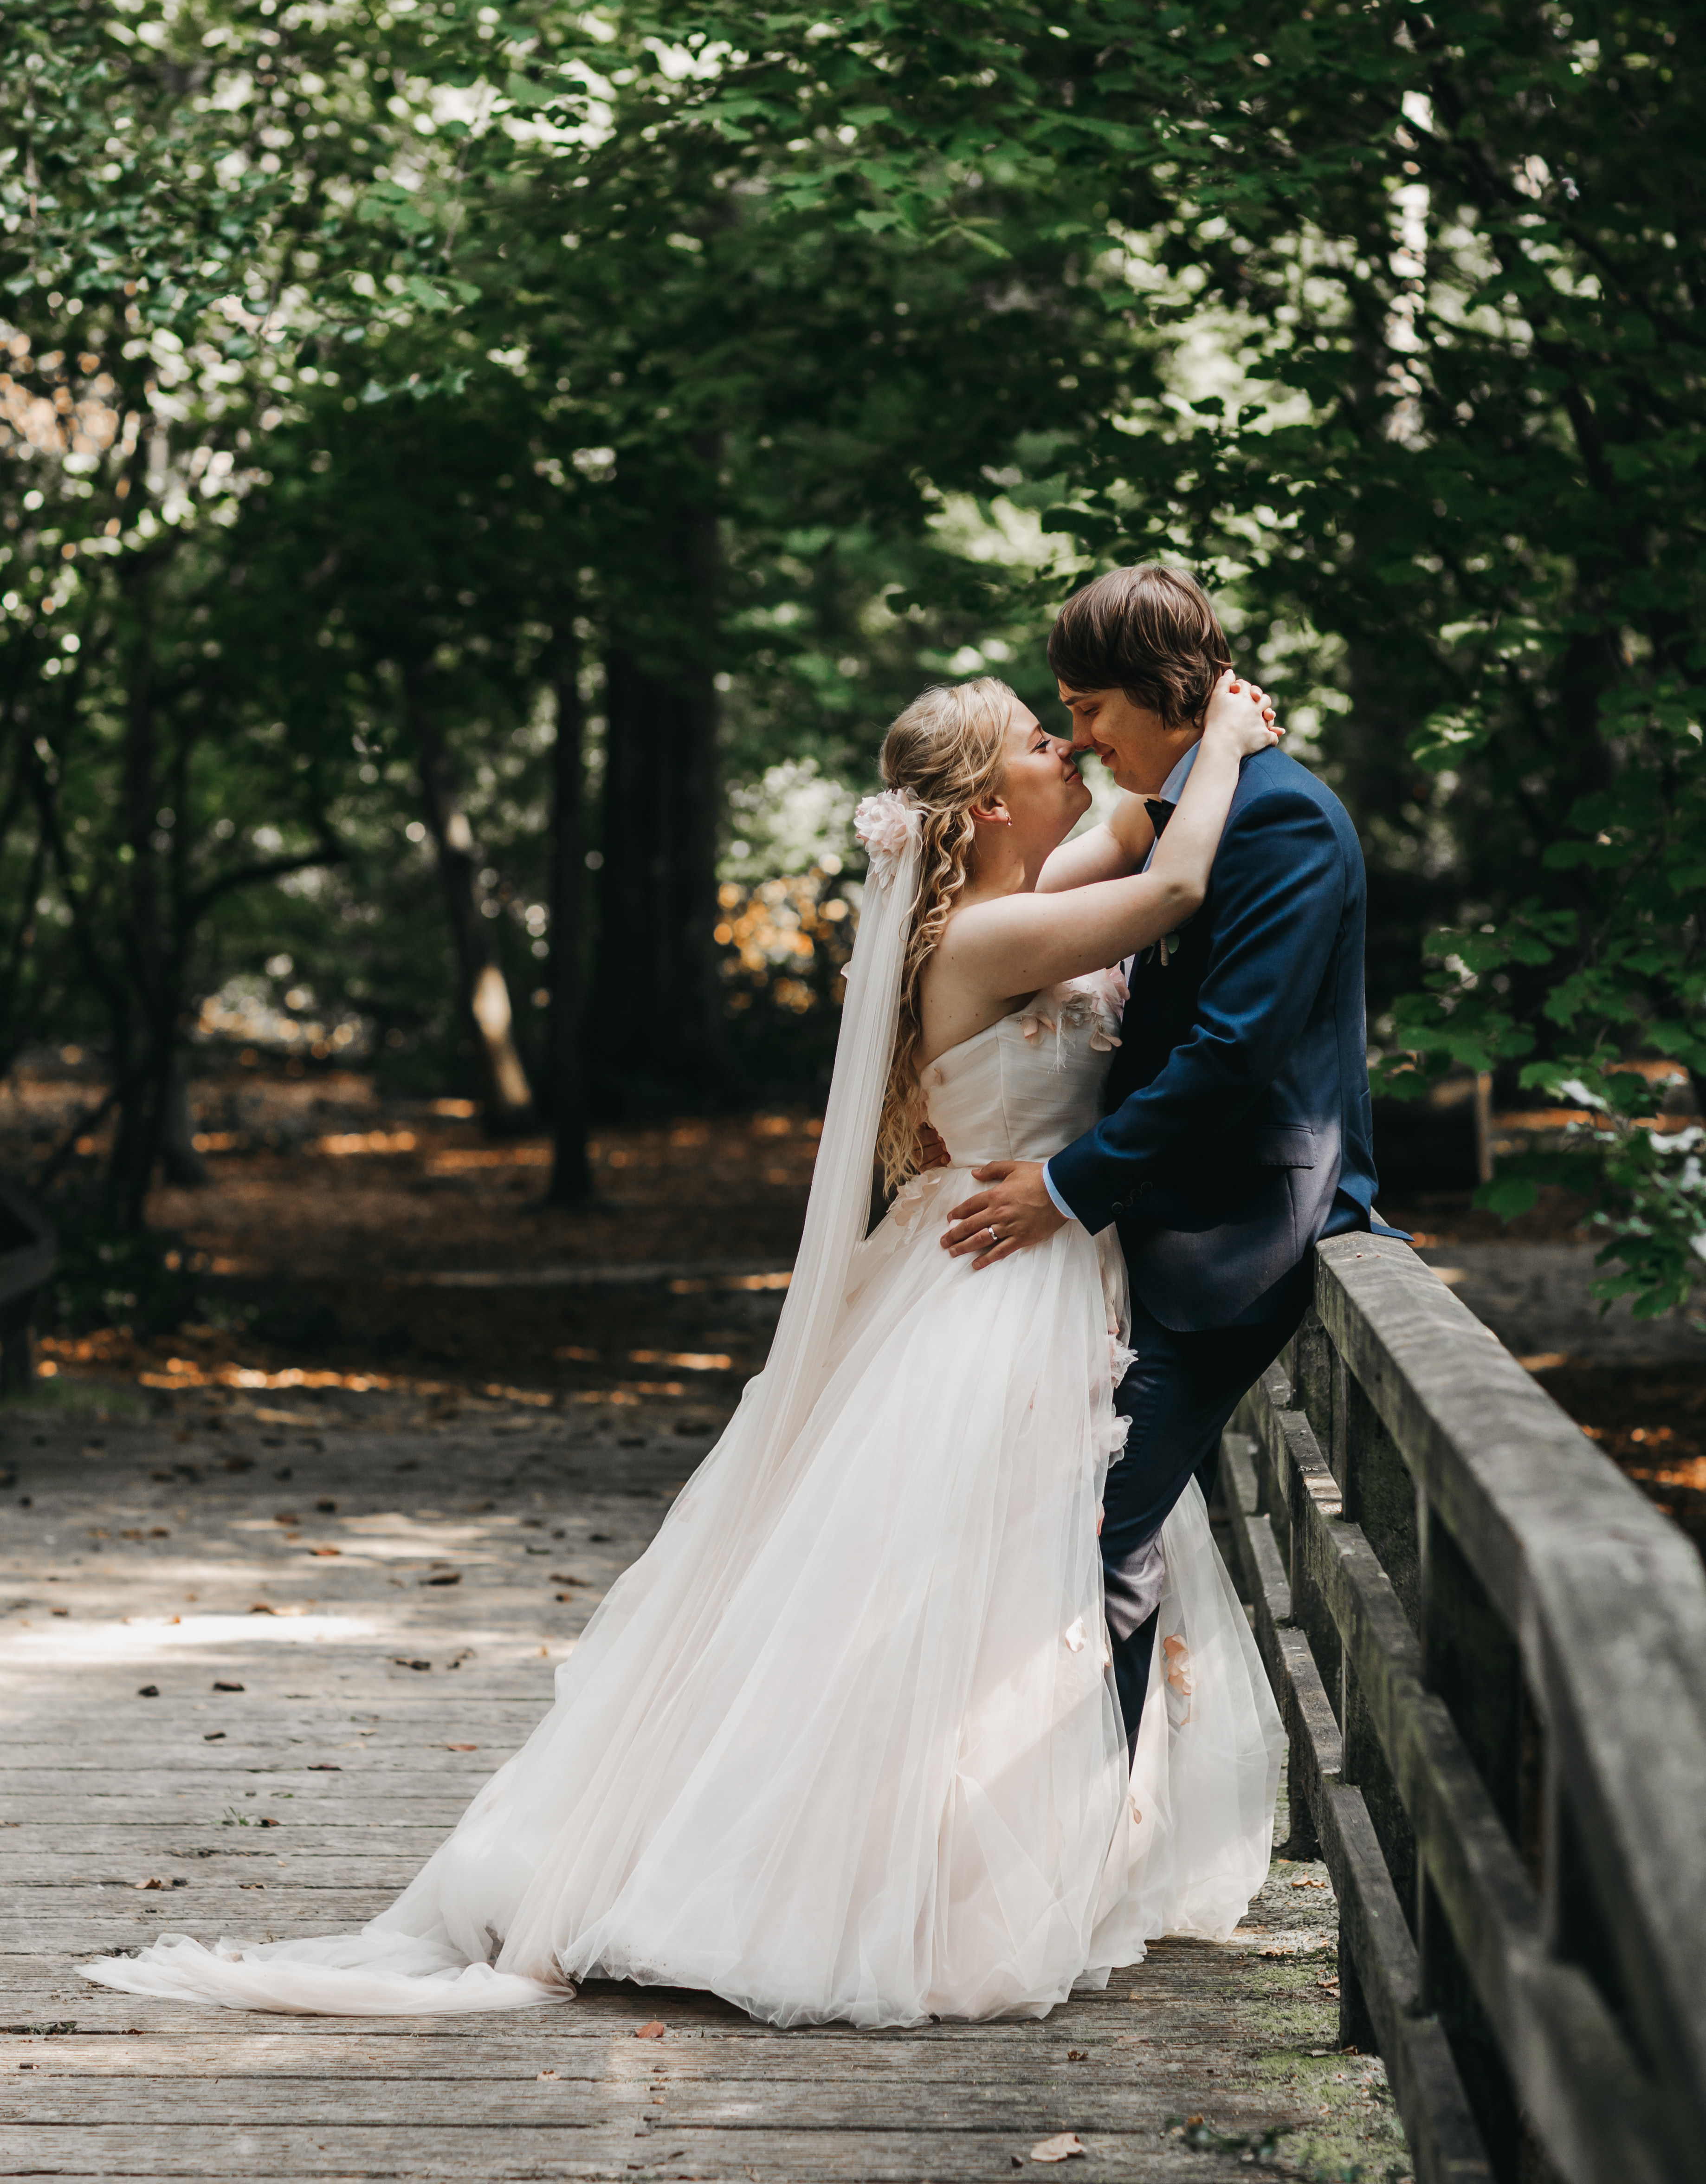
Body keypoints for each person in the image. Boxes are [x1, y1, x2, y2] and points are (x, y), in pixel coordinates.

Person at [80, 666, 1283, 2029]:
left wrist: (1180, 749)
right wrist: (1230, 736)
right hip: (986, 1279)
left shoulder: (1019, 902)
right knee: (960, 1578)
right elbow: (1173, 886)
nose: (1066, 745)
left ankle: (965, 1856)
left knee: (990, 1580)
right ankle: (869, 1879)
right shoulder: (984, 941)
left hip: (1024, 1263)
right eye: (1037, 734)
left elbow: (1134, 837)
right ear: (995, 798)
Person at [938, 562, 1384, 1745]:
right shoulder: (1183, 809)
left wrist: (1065, 1186)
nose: (1079, 741)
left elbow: (1232, 1054)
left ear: (1160, 688)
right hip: (1155, 1231)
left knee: (1099, 1537)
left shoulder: (1276, 813)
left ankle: (1078, 1835)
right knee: (1082, 1532)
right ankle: (1073, 1837)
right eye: (1063, 718)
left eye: (1088, 709)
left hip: (1232, 1232)